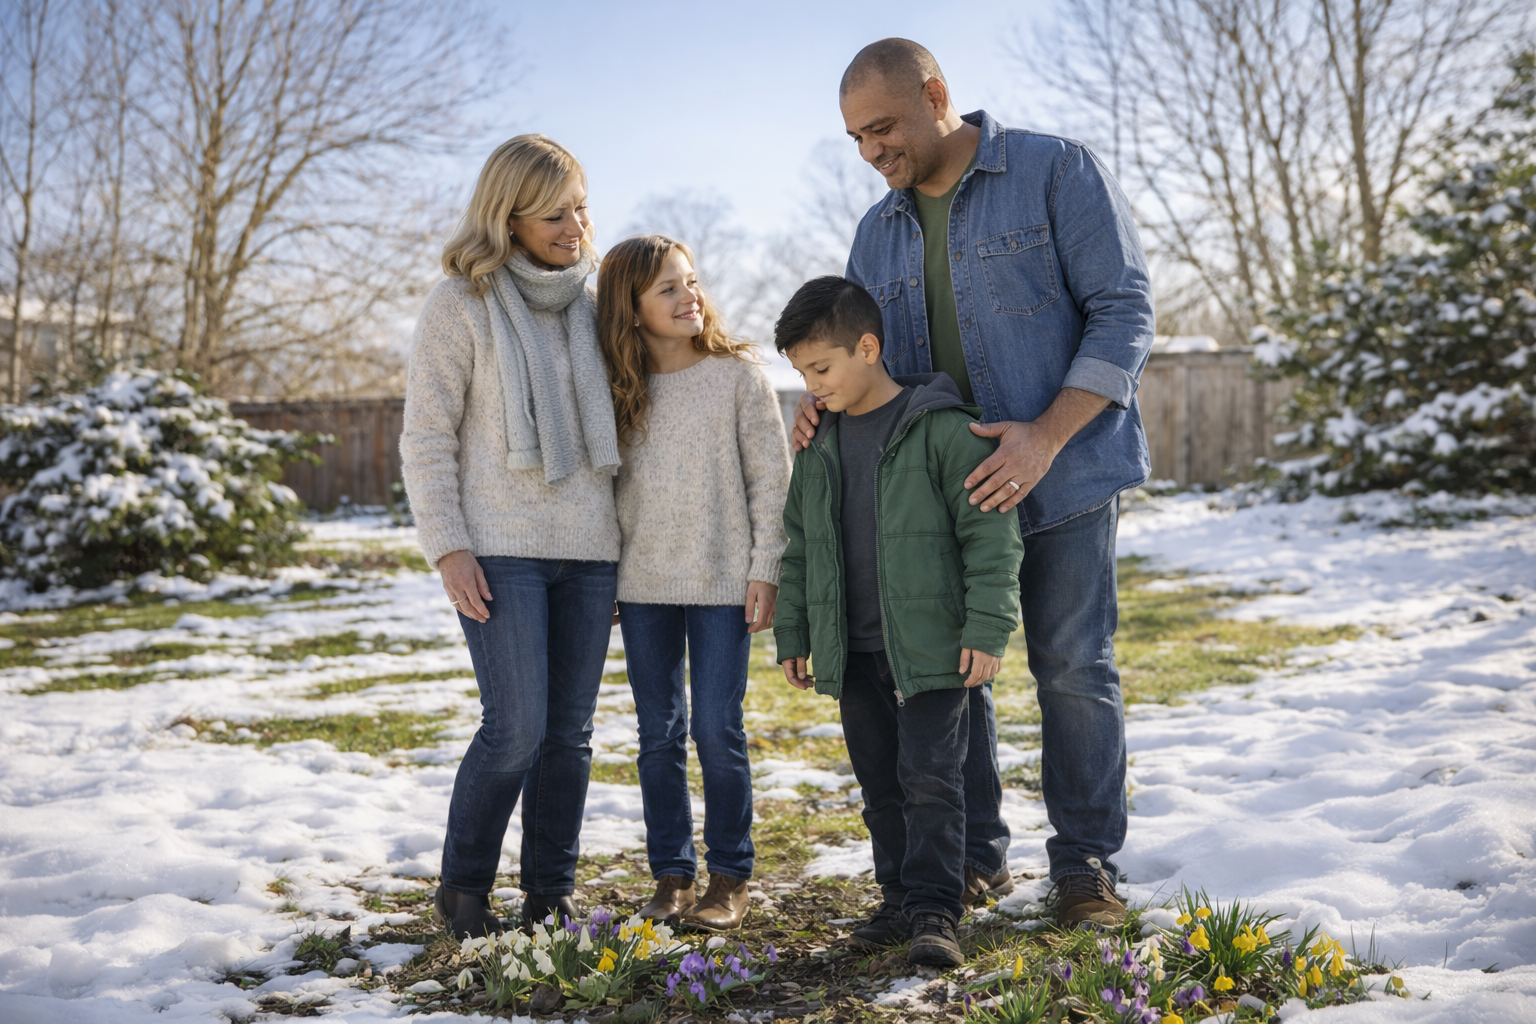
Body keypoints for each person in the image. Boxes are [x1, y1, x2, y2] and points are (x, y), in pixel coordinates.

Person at [791, 39, 1155, 928]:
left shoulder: (1052, 171)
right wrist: (822, 409)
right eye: (856, 138)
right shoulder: (876, 231)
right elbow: (868, 362)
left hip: (1063, 473)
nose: (873, 151)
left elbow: (1125, 308)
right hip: (936, 499)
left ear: (937, 95)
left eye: (882, 127)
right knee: (954, 672)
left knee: (1072, 665)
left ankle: (1083, 869)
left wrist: (1044, 436)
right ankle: (967, 861)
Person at [402, 135, 621, 940]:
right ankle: (463, 891)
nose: (576, 226)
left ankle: (549, 893)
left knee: (569, 733)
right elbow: (427, 436)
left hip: (593, 549)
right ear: (509, 216)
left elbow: (643, 410)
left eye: (582, 207)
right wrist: (448, 546)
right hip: (500, 548)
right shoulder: (459, 304)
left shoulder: (596, 303)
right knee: (516, 726)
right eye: (555, 213)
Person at [773, 276, 1023, 967]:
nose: (811, 386)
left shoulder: (942, 430)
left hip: (933, 649)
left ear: (868, 347)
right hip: (851, 649)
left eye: (820, 368)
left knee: (932, 780)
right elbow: (799, 545)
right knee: (880, 783)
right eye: (801, 373)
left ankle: (938, 913)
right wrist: (794, 633)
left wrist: (986, 628)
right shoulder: (817, 446)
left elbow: (991, 537)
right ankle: (897, 901)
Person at [595, 235, 790, 931]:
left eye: (691, 281)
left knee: (717, 728)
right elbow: (604, 491)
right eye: (669, 289)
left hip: (722, 583)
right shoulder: (616, 387)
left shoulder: (738, 376)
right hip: (643, 584)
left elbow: (772, 481)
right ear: (631, 308)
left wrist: (766, 567)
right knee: (658, 734)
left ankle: (730, 875)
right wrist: (609, 576)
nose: (690, 297)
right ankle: (672, 875)